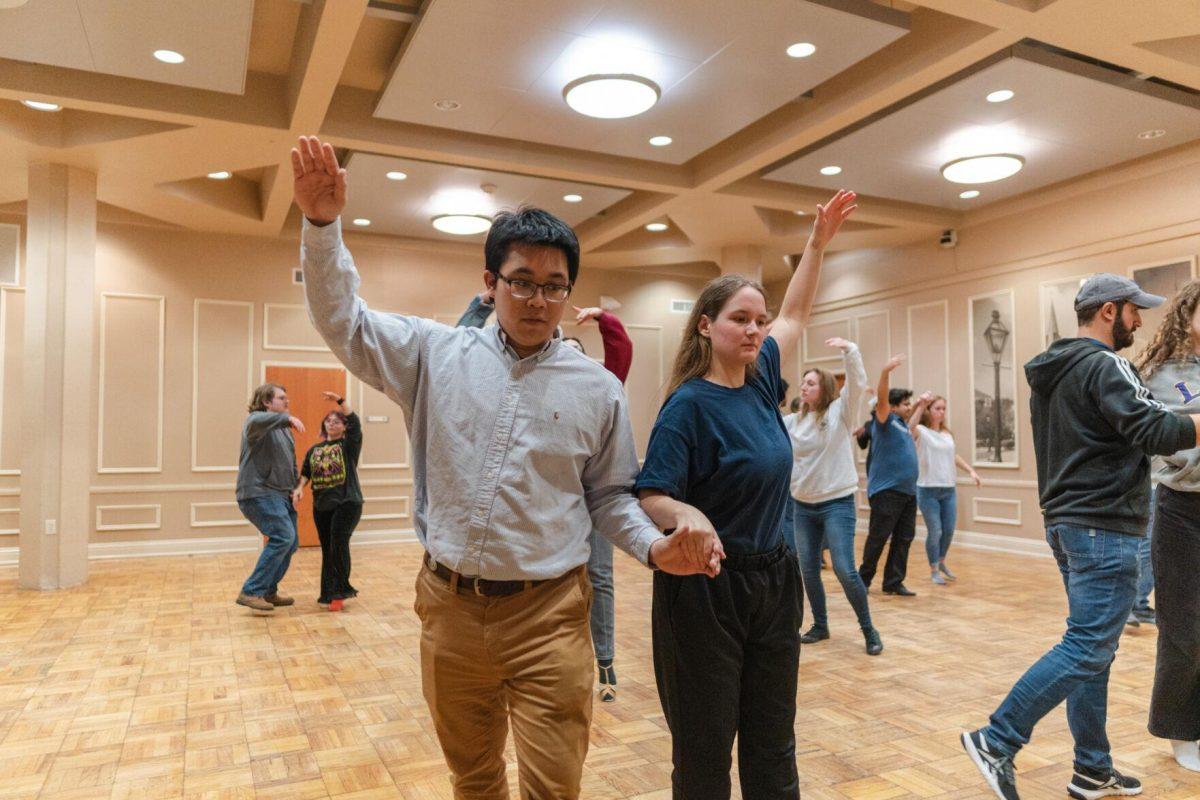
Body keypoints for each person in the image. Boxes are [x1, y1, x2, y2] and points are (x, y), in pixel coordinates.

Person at [291, 135, 721, 800]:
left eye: (555, 287)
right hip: (450, 611)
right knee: (474, 778)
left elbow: (609, 495)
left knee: (553, 787)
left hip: (549, 616)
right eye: (522, 281)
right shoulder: (434, 354)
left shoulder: (597, 388)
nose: (538, 301)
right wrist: (322, 227)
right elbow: (343, 321)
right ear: (489, 284)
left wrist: (653, 547)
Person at [636, 190, 857, 799]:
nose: (756, 328)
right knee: (706, 755)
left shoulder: (760, 381)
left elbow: (797, 314)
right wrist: (686, 512)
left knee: (773, 744)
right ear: (707, 326)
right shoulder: (687, 406)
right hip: (707, 592)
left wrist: (815, 242)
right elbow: (651, 492)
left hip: (774, 584)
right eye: (741, 319)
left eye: (758, 319)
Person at [961, 273, 1200, 800]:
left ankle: (1092, 768)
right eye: (1134, 311)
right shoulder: (1107, 364)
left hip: (1066, 522)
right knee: (1089, 645)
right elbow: (1157, 432)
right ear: (1109, 311)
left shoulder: (1056, 368)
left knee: (1096, 648)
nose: (1141, 321)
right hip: (1105, 524)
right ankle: (997, 739)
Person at [456, 297, 633, 703]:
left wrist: (604, 316)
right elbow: (456, 350)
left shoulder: (597, 386)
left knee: (600, 578)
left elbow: (621, 351)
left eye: (576, 352)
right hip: (548, 513)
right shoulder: (525, 385)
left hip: (595, 503)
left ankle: (604, 660)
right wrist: (481, 305)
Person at [1134, 279, 1200, 772]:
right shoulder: (1161, 374)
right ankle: (1179, 729)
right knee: (1184, 625)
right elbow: (1160, 439)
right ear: (1187, 313)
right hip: (1181, 508)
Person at [785, 338, 882, 655]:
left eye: (810, 382)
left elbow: (857, 383)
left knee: (843, 568)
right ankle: (821, 625)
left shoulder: (840, 412)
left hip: (836, 503)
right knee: (809, 570)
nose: (803, 386)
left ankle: (869, 629)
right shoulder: (793, 422)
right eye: (802, 382)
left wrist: (851, 350)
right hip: (802, 505)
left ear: (823, 387)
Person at [235, 383, 305, 613]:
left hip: (281, 494)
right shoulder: (255, 421)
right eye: (282, 398)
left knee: (290, 542)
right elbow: (256, 421)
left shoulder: (284, 429)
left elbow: (289, 461)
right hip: (258, 492)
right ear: (267, 402)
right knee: (283, 536)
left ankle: (267, 590)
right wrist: (288, 419)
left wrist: (296, 487)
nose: (287, 401)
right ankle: (251, 591)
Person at [857, 357, 920, 596]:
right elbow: (882, 397)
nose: (909, 407)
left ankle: (893, 582)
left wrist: (922, 405)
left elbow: (913, 423)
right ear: (892, 407)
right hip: (887, 491)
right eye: (905, 404)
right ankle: (862, 581)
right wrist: (885, 372)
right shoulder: (884, 420)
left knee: (904, 538)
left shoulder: (903, 426)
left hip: (907, 492)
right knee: (878, 537)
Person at [907, 392, 982, 585]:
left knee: (948, 531)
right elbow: (910, 427)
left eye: (943, 409)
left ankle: (941, 562)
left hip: (948, 489)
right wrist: (921, 405)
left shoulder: (947, 434)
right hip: (927, 489)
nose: (941, 412)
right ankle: (933, 569)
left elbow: (953, 456)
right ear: (929, 411)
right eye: (937, 408)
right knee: (936, 531)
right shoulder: (921, 431)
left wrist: (971, 471)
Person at [299, 392, 363, 612]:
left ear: (344, 427)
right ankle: (327, 593)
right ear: (324, 425)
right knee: (327, 548)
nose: (332, 423)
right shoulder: (314, 450)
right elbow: (306, 473)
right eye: (329, 420)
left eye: (337, 421)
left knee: (338, 544)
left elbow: (355, 422)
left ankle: (339, 593)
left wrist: (341, 401)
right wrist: (298, 489)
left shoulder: (349, 446)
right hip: (321, 505)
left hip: (347, 503)